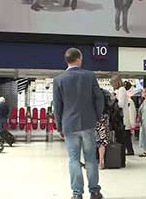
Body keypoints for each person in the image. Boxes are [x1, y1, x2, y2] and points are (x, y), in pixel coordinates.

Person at [53, 48, 104, 199]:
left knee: (74, 160)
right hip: (88, 123)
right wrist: (96, 117)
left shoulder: (59, 80)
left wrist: (59, 126)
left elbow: (57, 105)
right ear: (79, 59)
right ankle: (94, 191)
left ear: (67, 60)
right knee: (90, 159)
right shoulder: (89, 76)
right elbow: (99, 98)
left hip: (69, 125)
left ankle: (77, 194)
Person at [110, 74, 135, 156]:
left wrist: (114, 99)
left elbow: (120, 104)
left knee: (124, 136)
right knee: (126, 136)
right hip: (122, 117)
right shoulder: (121, 90)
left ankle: (124, 152)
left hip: (122, 117)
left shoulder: (121, 90)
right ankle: (128, 151)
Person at [96, 88, 111, 170]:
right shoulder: (105, 93)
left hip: (94, 119)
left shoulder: (90, 94)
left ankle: (92, 162)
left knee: (92, 141)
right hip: (104, 118)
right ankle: (101, 162)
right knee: (102, 141)